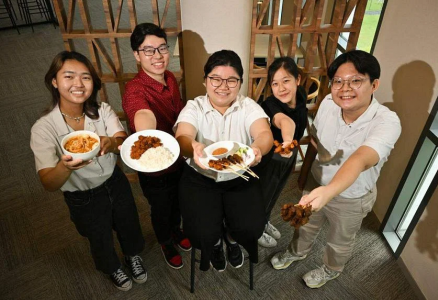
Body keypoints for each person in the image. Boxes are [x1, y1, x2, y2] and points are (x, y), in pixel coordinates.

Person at [270, 50, 401, 288]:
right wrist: (306, 178)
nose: (345, 88)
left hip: (352, 196)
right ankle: (297, 252)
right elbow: (316, 141)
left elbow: (360, 159)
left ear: (374, 84)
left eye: (356, 81)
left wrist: (329, 191)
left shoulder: (387, 122)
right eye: (338, 81)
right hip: (316, 182)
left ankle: (331, 269)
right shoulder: (329, 103)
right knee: (305, 224)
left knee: (339, 241)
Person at [30, 51, 146, 291]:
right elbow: (48, 183)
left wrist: (112, 143)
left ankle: (132, 255)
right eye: (69, 76)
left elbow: (121, 139)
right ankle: (112, 267)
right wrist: (65, 166)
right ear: (54, 81)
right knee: (98, 236)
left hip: (114, 181)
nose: (78, 84)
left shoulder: (101, 110)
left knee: (129, 223)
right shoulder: (44, 128)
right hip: (82, 195)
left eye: (85, 77)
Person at [174, 50, 273, 272]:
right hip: (200, 177)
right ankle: (216, 243)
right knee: (201, 232)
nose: (223, 86)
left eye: (231, 80)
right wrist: (194, 147)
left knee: (251, 227)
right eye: (215, 79)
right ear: (205, 80)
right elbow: (183, 136)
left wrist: (257, 149)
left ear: (240, 83)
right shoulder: (195, 106)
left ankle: (231, 238)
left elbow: (264, 133)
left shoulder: (248, 106)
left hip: (239, 176)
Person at [122, 23, 191, 270]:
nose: (158, 56)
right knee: (160, 208)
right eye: (148, 50)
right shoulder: (134, 89)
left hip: (179, 158)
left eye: (162, 48)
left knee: (178, 202)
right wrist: (147, 133)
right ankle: (165, 241)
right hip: (156, 168)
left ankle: (176, 229)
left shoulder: (171, 78)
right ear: (136, 54)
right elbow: (141, 113)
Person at [257, 57, 308, 248]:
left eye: (286, 81)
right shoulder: (271, 104)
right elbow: (286, 122)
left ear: (298, 79)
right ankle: (256, 229)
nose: (281, 88)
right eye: (275, 84)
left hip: (289, 156)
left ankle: (264, 221)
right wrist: (287, 141)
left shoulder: (301, 96)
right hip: (271, 158)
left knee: (276, 192)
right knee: (263, 194)